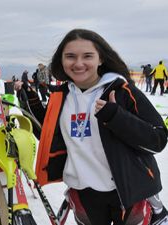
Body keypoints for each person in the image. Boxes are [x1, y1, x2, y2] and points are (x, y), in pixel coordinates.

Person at [15, 29, 168, 225]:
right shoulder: (61, 96)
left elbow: (158, 140)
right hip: (84, 193)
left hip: (127, 192)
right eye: (70, 56)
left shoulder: (121, 91)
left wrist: (116, 117)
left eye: (87, 56)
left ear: (101, 59)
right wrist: (30, 100)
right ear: (61, 61)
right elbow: (50, 135)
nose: (78, 63)